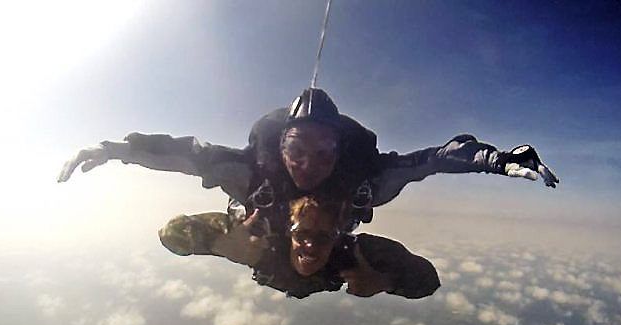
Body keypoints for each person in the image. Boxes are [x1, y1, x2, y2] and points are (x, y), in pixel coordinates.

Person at [57, 88, 559, 233]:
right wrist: (116, 149)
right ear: (279, 149)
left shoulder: (367, 179)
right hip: (269, 237)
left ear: (340, 153)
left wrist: (497, 160)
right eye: (296, 151)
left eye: (323, 153)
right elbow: (184, 154)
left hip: (323, 251)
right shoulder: (250, 173)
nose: (309, 165)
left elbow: (432, 158)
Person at [159, 194, 440, 300]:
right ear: (288, 231)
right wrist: (225, 234)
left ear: (338, 236)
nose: (310, 245)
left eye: (323, 237)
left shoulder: (358, 254)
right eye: (303, 233)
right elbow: (172, 235)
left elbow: (427, 280)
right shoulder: (258, 240)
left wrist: (383, 279)